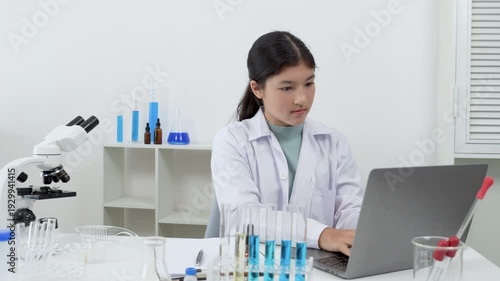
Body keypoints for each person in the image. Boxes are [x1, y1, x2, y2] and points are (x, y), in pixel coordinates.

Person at [211, 31, 364, 256]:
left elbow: (350, 208)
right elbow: (245, 217)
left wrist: (361, 231)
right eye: (287, 88)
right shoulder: (232, 141)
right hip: (255, 267)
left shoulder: (334, 142)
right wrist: (322, 235)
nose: (302, 98)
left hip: (317, 267)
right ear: (257, 89)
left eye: (309, 83)